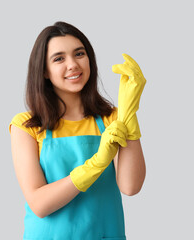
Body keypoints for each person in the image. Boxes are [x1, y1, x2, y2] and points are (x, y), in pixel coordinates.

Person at [9, 21, 146, 240]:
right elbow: (39, 204)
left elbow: (130, 186)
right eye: (59, 58)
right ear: (44, 70)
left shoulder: (112, 119)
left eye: (79, 54)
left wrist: (128, 112)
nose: (72, 64)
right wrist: (97, 163)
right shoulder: (27, 126)